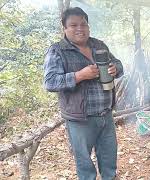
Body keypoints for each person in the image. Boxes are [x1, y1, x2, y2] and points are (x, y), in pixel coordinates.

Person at [43, 7, 123, 180]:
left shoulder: (98, 45)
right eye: (73, 25)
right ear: (64, 28)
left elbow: (117, 62)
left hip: (106, 114)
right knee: (85, 166)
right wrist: (79, 76)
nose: (80, 28)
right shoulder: (57, 51)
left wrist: (115, 68)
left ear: (88, 26)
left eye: (83, 24)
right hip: (80, 120)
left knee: (109, 161)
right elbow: (50, 82)